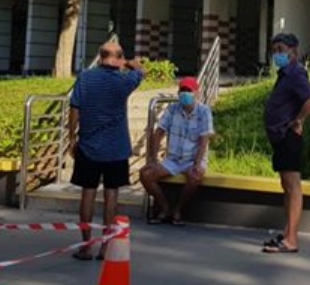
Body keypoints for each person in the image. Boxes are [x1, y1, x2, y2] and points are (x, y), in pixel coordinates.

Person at [68, 41, 145, 260]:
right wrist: (127, 63)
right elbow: (140, 70)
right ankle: (105, 246)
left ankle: (86, 246)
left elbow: (75, 109)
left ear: (100, 57)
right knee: (112, 194)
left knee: (88, 192)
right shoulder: (124, 81)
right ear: (118, 58)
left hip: (88, 146)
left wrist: (72, 137)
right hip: (116, 148)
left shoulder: (85, 78)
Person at [263, 33, 310, 254]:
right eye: (274, 50)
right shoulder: (285, 74)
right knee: (286, 186)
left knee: (293, 186)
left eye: (281, 49)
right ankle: (287, 233)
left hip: (288, 137)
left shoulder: (295, 73)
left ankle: (291, 240)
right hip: (280, 137)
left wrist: (299, 120)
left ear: (293, 51)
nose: (277, 54)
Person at [140, 77, 214, 226]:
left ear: (196, 93)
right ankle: (165, 207)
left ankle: (178, 210)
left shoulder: (203, 111)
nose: (185, 94)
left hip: (192, 159)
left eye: (188, 91)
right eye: (182, 90)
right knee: (145, 174)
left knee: (195, 177)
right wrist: (153, 158)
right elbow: (159, 132)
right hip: (173, 159)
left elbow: (204, 139)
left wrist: (197, 163)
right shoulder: (172, 109)